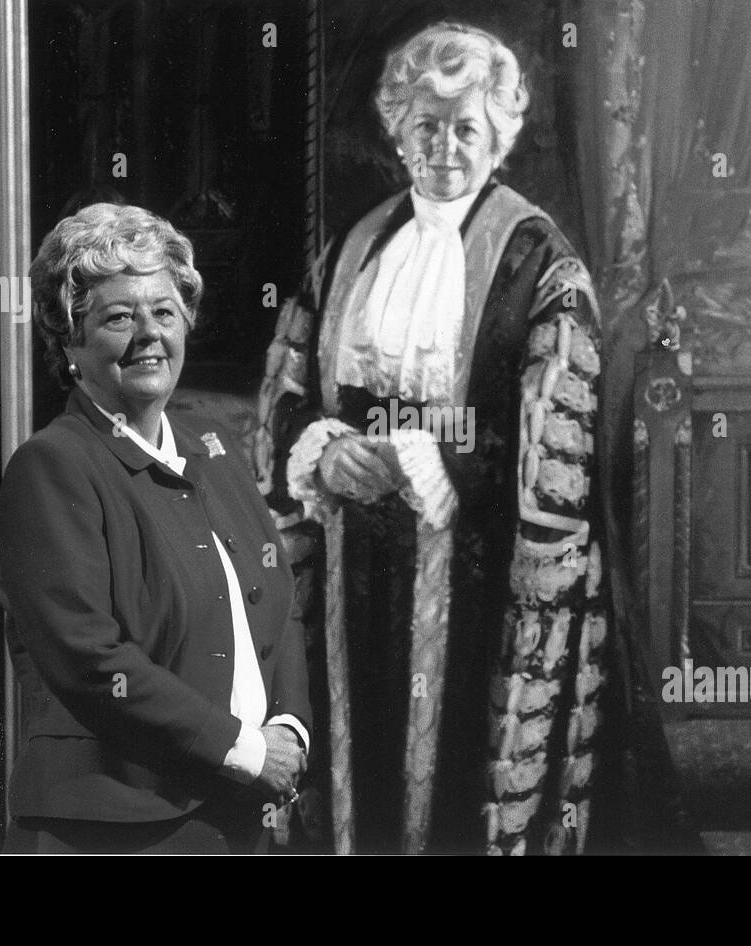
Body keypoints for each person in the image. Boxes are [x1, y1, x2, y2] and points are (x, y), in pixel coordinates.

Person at [254, 22, 607, 855]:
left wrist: (428, 462)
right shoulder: (352, 248)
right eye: (427, 125)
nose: (446, 146)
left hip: (475, 569)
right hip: (353, 566)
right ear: (398, 131)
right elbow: (289, 389)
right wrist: (325, 450)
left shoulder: (540, 264)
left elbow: (557, 445)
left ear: (499, 136)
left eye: (466, 127)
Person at [0, 203, 311, 853]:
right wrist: (247, 750)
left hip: (232, 821)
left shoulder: (215, 450)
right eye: (118, 316)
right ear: (69, 342)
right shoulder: (52, 466)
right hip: (108, 831)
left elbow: (280, 603)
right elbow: (91, 660)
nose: (148, 334)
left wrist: (290, 727)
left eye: (164, 312)